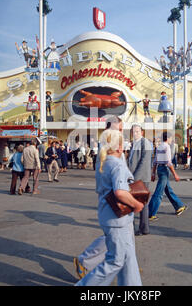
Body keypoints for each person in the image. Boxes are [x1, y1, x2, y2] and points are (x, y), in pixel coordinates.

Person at [75, 129, 144, 286]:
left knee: (127, 257)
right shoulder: (117, 165)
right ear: (119, 147)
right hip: (117, 218)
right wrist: (136, 204)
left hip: (107, 214)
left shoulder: (103, 162)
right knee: (116, 261)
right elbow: (120, 192)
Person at [73, 116, 123, 279]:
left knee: (121, 235)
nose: (121, 129)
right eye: (119, 126)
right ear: (111, 125)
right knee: (112, 234)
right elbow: (108, 166)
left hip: (114, 190)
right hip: (112, 193)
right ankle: (85, 260)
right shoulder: (108, 139)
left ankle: (124, 264)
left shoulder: (112, 138)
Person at [148, 132, 187, 221]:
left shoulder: (159, 147)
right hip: (164, 170)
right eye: (171, 138)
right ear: (168, 138)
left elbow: (155, 161)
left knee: (168, 190)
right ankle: (151, 213)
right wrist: (175, 174)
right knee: (159, 193)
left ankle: (179, 206)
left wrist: (153, 173)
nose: (171, 140)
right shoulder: (167, 147)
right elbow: (168, 162)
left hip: (159, 169)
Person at [128, 124, 152, 236]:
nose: (135, 133)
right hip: (135, 177)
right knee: (140, 203)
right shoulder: (134, 143)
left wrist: (134, 178)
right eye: (133, 131)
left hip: (141, 178)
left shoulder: (144, 142)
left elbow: (144, 162)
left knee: (142, 204)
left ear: (142, 132)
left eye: (137, 131)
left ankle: (141, 228)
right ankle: (143, 228)